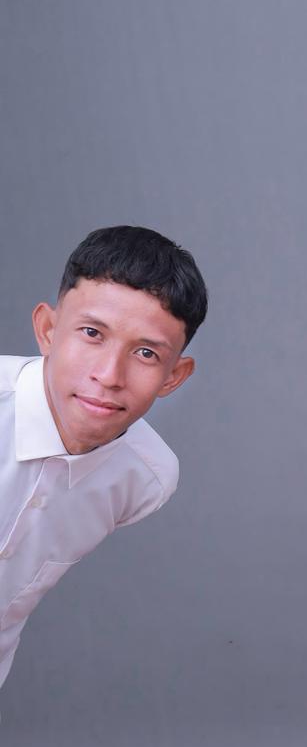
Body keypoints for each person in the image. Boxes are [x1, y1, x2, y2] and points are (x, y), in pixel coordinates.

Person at [0, 224, 207, 692]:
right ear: (48, 330)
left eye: (146, 353)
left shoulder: (145, 479)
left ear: (174, 377)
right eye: (92, 333)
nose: (109, 375)